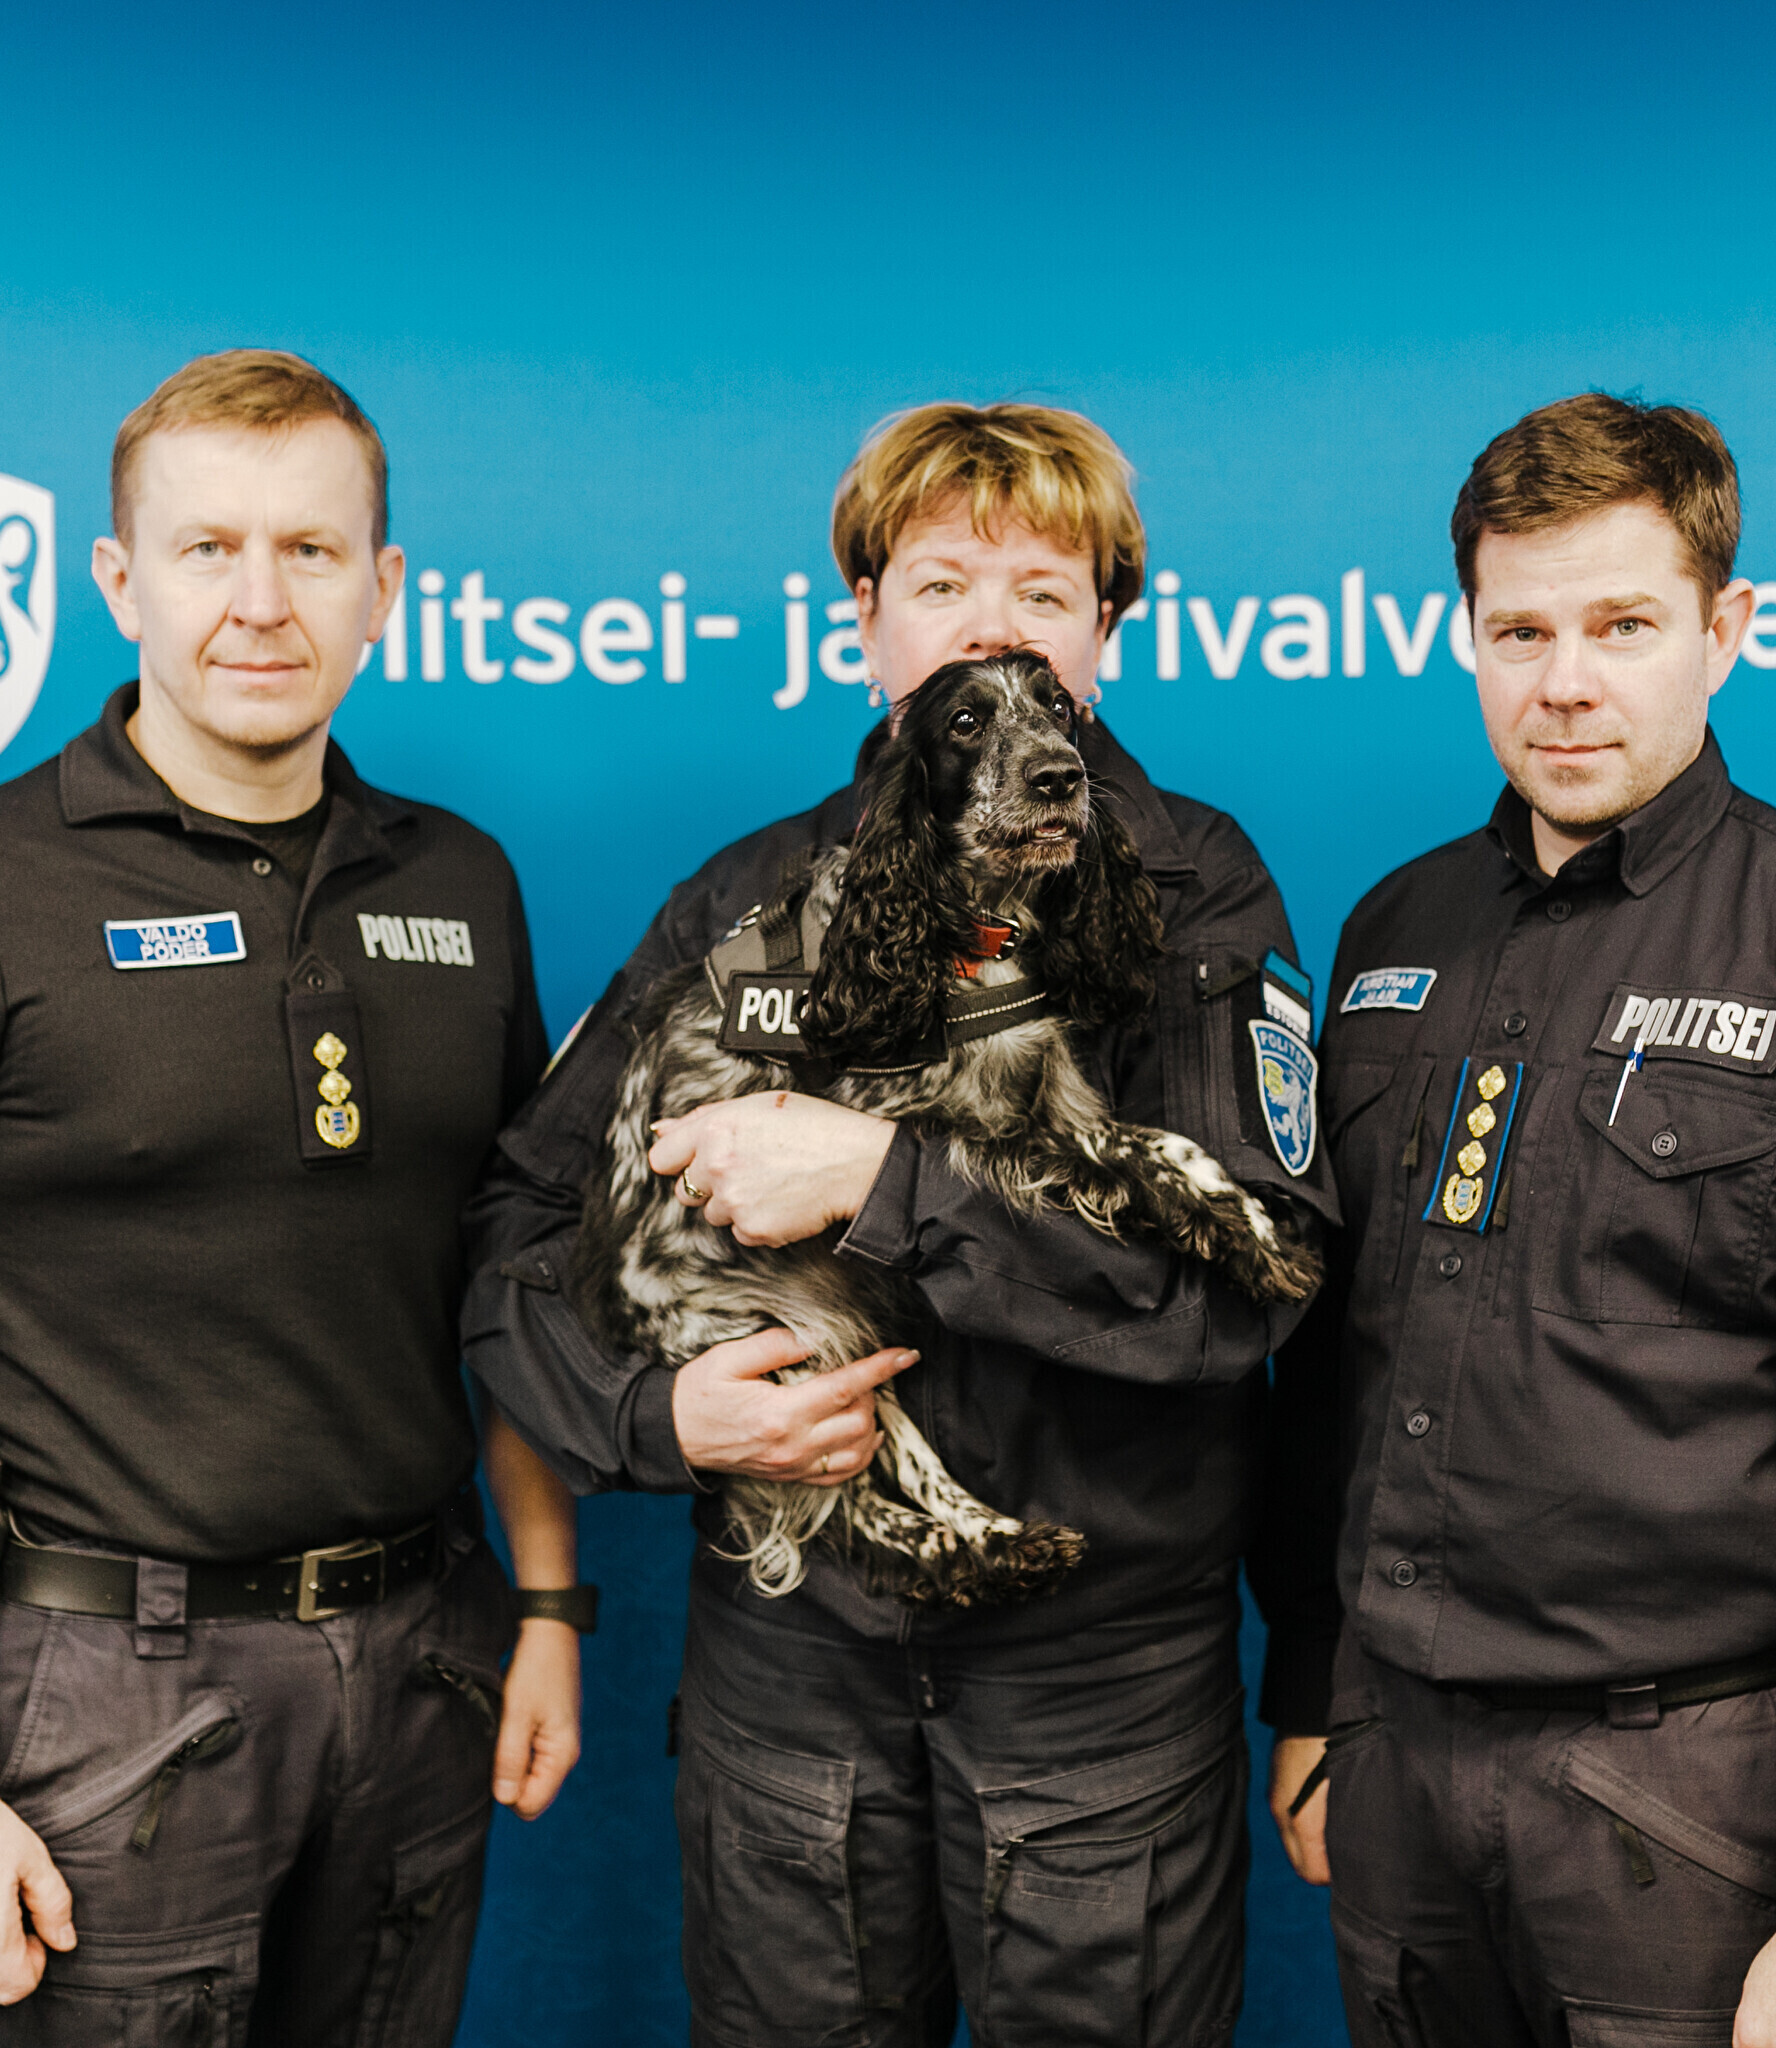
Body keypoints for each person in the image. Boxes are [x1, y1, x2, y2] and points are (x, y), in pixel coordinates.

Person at [462, 401, 1336, 2046]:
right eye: (943, 584)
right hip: (790, 1685)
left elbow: (1249, 1292)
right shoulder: (744, 901)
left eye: (1044, 592)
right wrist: (657, 1418)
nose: (993, 629)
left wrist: (883, 1182)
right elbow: (520, 1221)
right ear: (864, 621)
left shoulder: (1193, 890)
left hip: (1097, 1700)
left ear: (1106, 636)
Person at [0, 349, 584, 2043]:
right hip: (106, 1697)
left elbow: (514, 1283)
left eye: (311, 551)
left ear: (385, 589)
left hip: (426, 1661)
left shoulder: (465, 883)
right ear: (122, 582)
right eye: (209, 549)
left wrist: (553, 1599)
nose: (261, 603)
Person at [1256, 393, 1776, 2048]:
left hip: (1681, 1801)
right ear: (1467, 635)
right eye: (1521, 630)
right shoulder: (1396, 932)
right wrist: (1321, 1685)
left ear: (1726, 631)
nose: (1565, 681)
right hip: (1397, 1767)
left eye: (1623, 625)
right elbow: (1341, 1360)